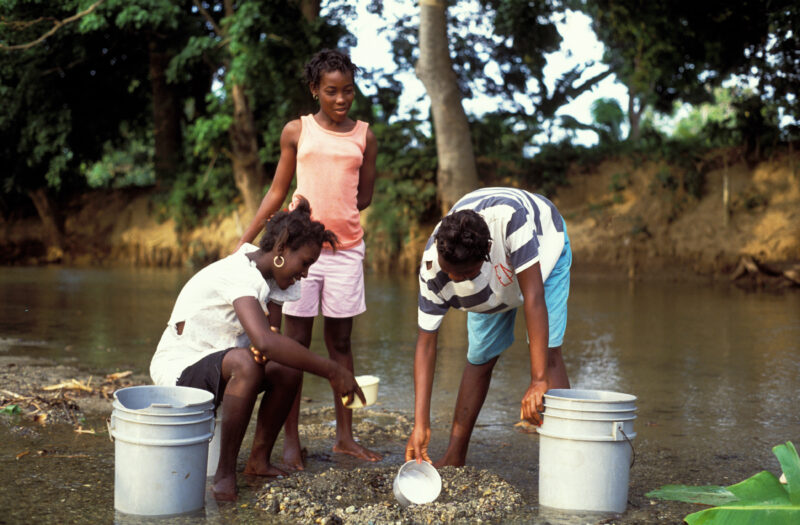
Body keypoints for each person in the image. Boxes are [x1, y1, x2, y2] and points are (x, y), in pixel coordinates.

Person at [150, 198, 366, 501]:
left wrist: (267, 346)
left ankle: (258, 462)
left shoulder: (274, 277)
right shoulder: (240, 271)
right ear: (280, 250)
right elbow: (264, 342)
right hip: (181, 366)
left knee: (287, 366)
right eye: (304, 263)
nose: (305, 273)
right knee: (246, 364)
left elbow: (270, 340)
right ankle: (224, 475)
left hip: (220, 360)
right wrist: (332, 370)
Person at [235, 49, 380, 468]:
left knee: (341, 343)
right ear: (314, 89)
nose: (341, 99)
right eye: (331, 91)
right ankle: (291, 442)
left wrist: (337, 219)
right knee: (294, 343)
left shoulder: (365, 136)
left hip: (345, 251)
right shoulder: (297, 131)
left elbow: (363, 196)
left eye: (348, 91)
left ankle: (345, 437)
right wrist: (246, 241)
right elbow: (278, 192)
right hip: (299, 252)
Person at [405, 187, 572, 467]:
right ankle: (455, 455)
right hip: (491, 282)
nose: (456, 281)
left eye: (465, 274)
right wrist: (420, 424)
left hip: (544, 248)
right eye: (450, 273)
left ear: (484, 257)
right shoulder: (432, 266)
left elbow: (533, 297)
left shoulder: (511, 221)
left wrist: (538, 380)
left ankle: (570, 461)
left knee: (548, 352)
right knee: (480, 357)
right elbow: (425, 344)